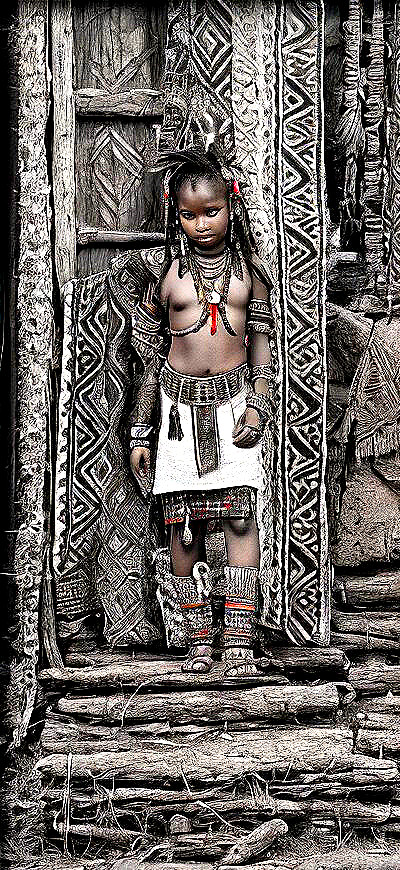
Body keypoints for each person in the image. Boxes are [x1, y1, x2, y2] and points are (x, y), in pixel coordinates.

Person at [127, 146, 274, 677]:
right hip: (175, 412)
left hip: (234, 406)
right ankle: (196, 641)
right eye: (188, 215)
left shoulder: (251, 277)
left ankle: (238, 643)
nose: (201, 223)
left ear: (231, 206)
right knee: (181, 523)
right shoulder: (166, 277)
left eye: (211, 211)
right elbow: (148, 358)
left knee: (239, 517)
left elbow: (262, 343)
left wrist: (257, 403)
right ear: (176, 216)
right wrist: (142, 431)